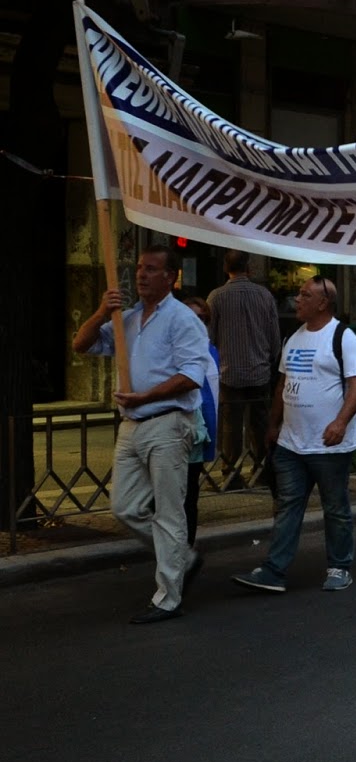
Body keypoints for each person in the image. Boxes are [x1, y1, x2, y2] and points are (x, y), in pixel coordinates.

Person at [71, 246, 211, 623]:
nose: (141, 275)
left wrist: (145, 395)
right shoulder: (127, 319)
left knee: (169, 512)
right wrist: (102, 311)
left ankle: (168, 597)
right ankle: (182, 557)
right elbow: (80, 344)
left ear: (171, 277)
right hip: (131, 425)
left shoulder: (183, 320)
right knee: (123, 506)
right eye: (139, 269)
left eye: (151, 269)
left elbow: (190, 376)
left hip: (167, 422)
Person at [232, 276, 356, 595]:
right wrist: (273, 424)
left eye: (304, 295)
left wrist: (340, 422)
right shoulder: (293, 339)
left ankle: (339, 567)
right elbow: (281, 385)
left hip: (329, 446)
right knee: (288, 506)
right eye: (298, 294)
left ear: (323, 303)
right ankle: (274, 570)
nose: (297, 299)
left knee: (335, 507)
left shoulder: (344, 338)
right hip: (292, 443)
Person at [205, 250, 280, 490]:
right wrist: (268, 359)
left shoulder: (216, 297)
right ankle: (263, 470)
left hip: (229, 372)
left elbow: (209, 337)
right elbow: (274, 338)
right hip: (259, 371)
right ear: (249, 268)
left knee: (231, 425)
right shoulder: (265, 296)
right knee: (260, 422)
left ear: (226, 268)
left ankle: (230, 473)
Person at [181, 296, 221, 548]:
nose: (196, 323)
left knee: (189, 496)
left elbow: (213, 398)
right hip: (176, 431)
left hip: (198, 433)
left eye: (201, 318)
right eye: (190, 318)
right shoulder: (178, 349)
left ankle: (186, 550)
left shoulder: (211, 350)